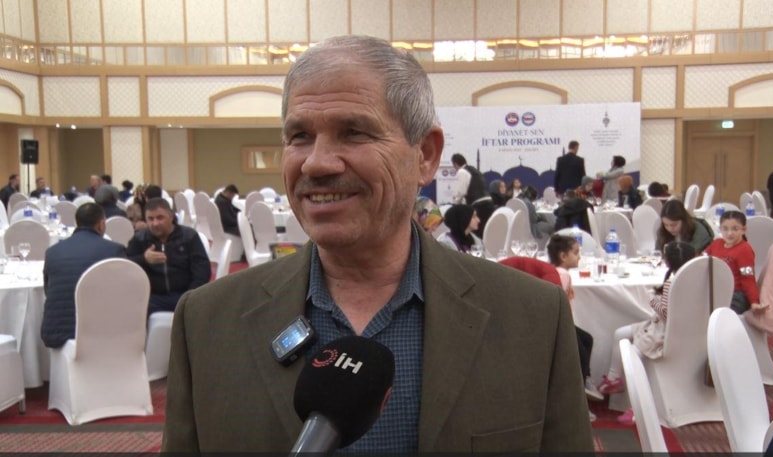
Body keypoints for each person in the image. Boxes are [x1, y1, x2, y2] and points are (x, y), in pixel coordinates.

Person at [161, 35, 593, 453]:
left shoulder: (532, 319)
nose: (316, 163)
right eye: (300, 136)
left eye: (354, 132)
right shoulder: (206, 323)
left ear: (425, 155)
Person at [596, 241, 697, 424]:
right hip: (673, 327)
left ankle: (637, 406)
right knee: (620, 333)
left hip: (664, 331)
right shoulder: (693, 280)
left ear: (667, 261)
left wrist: (651, 299)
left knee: (634, 354)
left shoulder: (672, 282)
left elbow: (666, 313)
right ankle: (614, 378)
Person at [40, 203, 127, 348]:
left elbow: (48, 291)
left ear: (77, 223)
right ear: (101, 224)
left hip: (56, 333)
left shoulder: (52, 252)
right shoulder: (114, 250)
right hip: (101, 333)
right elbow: (122, 293)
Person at [545, 235, 604, 412]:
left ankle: (585, 381)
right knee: (580, 353)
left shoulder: (558, 272)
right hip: (560, 325)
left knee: (586, 340)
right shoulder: (562, 275)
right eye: (576, 252)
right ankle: (579, 394)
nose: (579, 256)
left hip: (561, 322)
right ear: (563, 256)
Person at [126, 198, 210, 316]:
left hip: (185, 295)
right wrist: (144, 259)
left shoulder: (188, 237)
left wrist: (189, 296)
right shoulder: (140, 240)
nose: (155, 223)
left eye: (160, 218)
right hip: (152, 298)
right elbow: (125, 267)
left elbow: (202, 271)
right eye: (150, 219)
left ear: (171, 216)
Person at [705, 210, 766, 314]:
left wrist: (754, 302)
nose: (729, 233)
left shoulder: (744, 250)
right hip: (717, 290)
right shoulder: (716, 244)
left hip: (736, 294)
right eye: (725, 229)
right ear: (720, 229)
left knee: (721, 316)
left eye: (735, 229)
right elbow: (702, 259)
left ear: (744, 229)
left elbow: (748, 278)